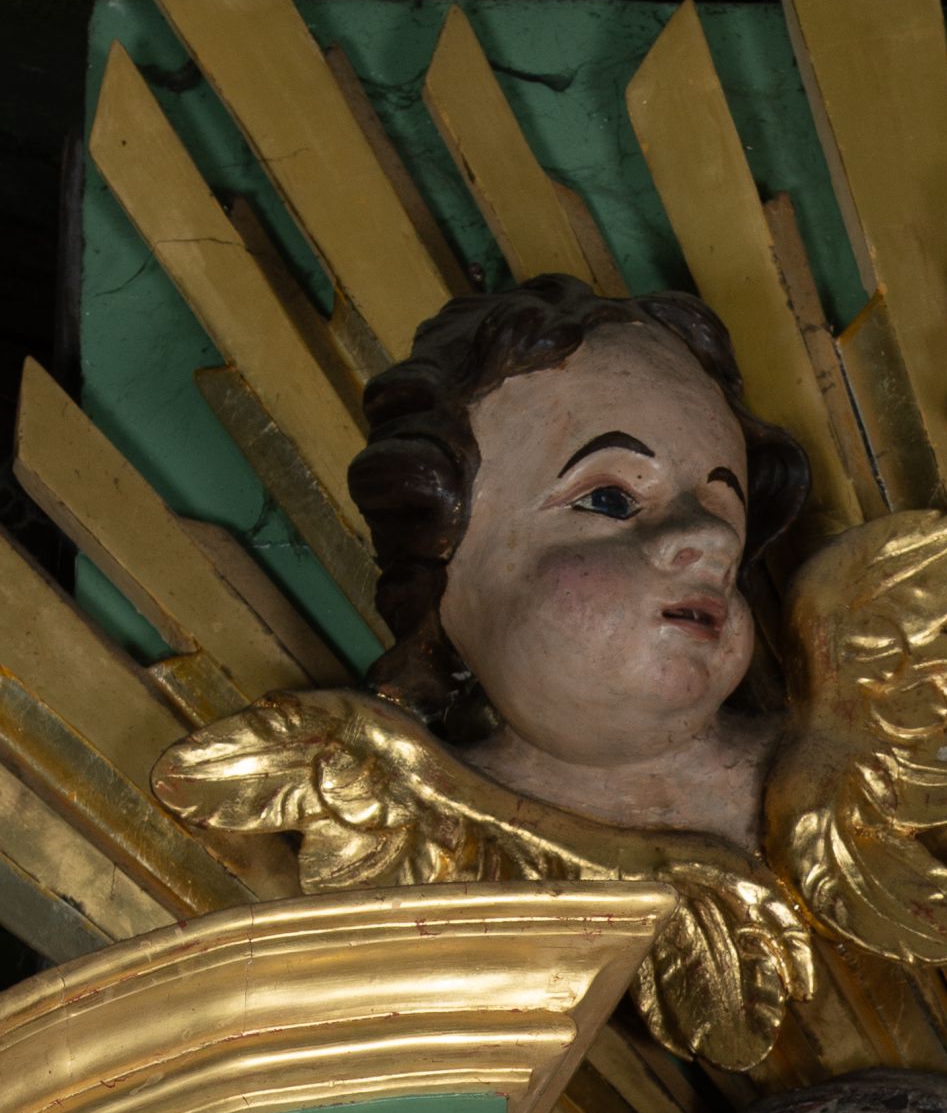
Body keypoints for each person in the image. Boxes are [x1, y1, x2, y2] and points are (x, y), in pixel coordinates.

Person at [346, 272, 812, 851]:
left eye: (727, 516)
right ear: (448, 571)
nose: (713, 538)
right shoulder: (405, 837)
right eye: (612, 500)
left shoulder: (838, 792)